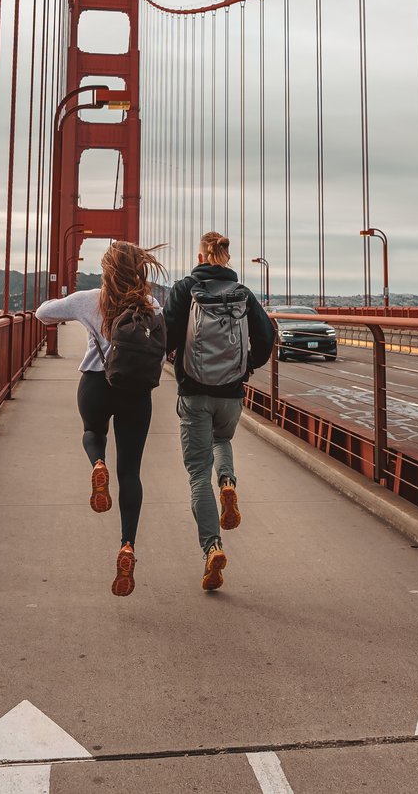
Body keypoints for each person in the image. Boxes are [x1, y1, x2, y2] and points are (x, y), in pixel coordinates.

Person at [35, 241, 166, 597]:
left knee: (92, 431)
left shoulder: (89, 299)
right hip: (136, 393)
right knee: (131, 473)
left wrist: (70, 313)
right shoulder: (151, 304)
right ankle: (127, 545)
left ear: (107, 271)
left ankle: (96, 463)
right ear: (140, 269)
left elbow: (42, 314)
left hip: (95, 383)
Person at [163, 231, 275, 591]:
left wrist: (168, 357)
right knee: (222, 438)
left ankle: (212, 548)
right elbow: (266, 337)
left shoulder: (185, 289)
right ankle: (227, 482)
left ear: (200, 255)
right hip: (230, 391)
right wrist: (246, 367)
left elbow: (164, 334)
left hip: (194, 391)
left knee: (198, 474)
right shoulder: (242, 294)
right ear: (226, 257)